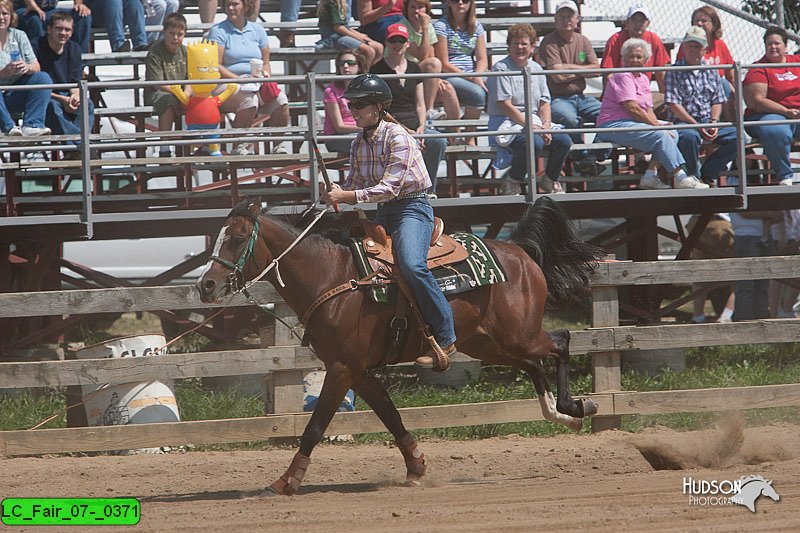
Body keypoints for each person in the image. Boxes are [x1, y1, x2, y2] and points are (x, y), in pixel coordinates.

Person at [321, 73, 456, 371]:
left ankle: (446, 336)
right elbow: (354, 182)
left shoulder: (398, 137)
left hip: (412, 208)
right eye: (351, 104)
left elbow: (390, 187)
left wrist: (348, 195)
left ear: (378, 108)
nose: (352, 110)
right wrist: (337, 194)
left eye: (358, 104)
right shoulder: (359, 142)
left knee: (411, 264)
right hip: (383, 211)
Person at [596, 38, 708, 190]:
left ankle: (650, 174)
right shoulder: (623, 76)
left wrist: (659, 124)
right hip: (614, 124)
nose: (635, 60)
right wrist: (656, 126)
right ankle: (681, 176)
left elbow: (648, 109)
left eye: (639, 57)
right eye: (631, 56)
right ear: (624, 58)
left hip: (632, 122)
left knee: (672, 131)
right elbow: (632, 107)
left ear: (646, 60)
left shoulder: (642, 78)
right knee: (660, 134)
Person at [487, 23, 571, 195]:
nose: (520, 47)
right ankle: (513, 178)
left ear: (532, 47)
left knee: (564, 140)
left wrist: (546, 124)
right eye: (515, 43)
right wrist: (532, 126)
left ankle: (550, 178)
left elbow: (544, 101)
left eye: (524, 44)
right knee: (534, 142)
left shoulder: (536, 68)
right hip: (507, 121)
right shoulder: (500, 68)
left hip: (535, 121)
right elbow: (504, 104)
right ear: (508, 46)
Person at [371, 23, 446, 195]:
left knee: (438, 141)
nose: (397, 44)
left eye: (401, 40)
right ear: (386, 43)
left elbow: (420, 103)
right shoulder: (377, 70)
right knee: (405, 142)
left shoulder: (414, 68)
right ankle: (399, 191)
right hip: (389, 126)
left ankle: (428, 189)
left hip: (414, 124)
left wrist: (421, 127)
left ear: (408, 44)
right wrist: (406, 131)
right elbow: (379, 109)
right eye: (393, 40)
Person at [207, 0, 290, 155]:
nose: (230, 8)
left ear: (245, 6)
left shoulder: (257, 30)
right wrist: (239, 80)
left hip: (255, 82)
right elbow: (216, 65)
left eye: (235, 4)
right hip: (227, 83)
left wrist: (265, 76)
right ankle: (239, 145)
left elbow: (266, 62)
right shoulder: (218, 31)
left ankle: (279, 145)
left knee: (281, 100)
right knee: (248, 99)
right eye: (227, 5)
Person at [539, 0, 605, 176]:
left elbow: (596, 70)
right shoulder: (549, 41)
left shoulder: (583, 41)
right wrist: (582, 70)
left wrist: (569, 67)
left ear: (577, 19)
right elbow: (557, 77)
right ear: (555, 19)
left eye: (570, 15)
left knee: (608, 113)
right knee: (571, 119)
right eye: (562, 16)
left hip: (581, 96)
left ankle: (594, 157)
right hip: (558, 98)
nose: (566, 19)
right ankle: (582, 158)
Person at [665, 27, 737, 187]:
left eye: (697, 46)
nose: (693, 49)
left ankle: (708, 173)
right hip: (683, 122)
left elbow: (717, 100)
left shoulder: (711, 71)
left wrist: (713, 122)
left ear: (704, 49)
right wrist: (697, 125)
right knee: (689, 137)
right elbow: (674, 104)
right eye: (690, 45)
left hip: (707, 120)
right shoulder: (674, 71)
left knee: (739, 136)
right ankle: (693, 178)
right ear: (683, 47)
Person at [743, 26, 800, 186]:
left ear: (785, 46)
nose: (773, 47)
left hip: (796, 115)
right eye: (769, 44)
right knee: (776, 129)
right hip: (767, 114)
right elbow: (757, 101)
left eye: (777, 43)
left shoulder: (797, 63)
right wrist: (786, 111)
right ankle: (784, 175)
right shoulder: (758, 68)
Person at [31, 11, 93, 155]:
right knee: (52, 107)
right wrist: (62, 99)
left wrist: (75, 97)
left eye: (67, 29)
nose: (63, 33)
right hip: (44, 96)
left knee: (87, 104)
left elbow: (76, 81)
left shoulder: (74, 48)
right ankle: (81, 147)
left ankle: (75, 150)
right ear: (49, 29)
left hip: (66, 94)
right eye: (59, 28)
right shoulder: (36, 46)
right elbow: (35, 86)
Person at [434, 0, 487, 144]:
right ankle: (469, 137)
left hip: (473, 74)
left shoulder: (476, 26)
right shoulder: (441, 26)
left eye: (465, 0)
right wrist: (472, 77)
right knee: (477, 93)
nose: (460, 3)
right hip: (451, 75)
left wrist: (478, 75)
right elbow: (444, 63)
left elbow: (482, 58)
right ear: (449, 3)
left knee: (497, 87)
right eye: (456, 0)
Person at [399, 0, 459, 123]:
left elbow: (430, 55)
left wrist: (437, 78)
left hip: (420, 73)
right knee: (434, 64)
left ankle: (455, 136)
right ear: (407, 9)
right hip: (404, 74)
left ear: (426, 9)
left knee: (447, 89)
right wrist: (425, 28)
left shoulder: (429, 26)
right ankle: (428, 111)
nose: (416, 11)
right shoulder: (403, 27)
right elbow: (423, 55)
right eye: (413, 7)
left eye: (420, 7)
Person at [0, 0, 52, 137]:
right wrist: (4, 73)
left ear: (11, 16)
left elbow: (36, 66)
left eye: (5, 13)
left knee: (43, 78)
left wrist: (26, 67)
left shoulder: (19, 35)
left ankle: (32, 125)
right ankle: (8, 127)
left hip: (14, 93)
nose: (1, 18)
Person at [601, 3, 670, 93]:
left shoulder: (654, 39)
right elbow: (608, 72)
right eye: (634, 20)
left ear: (648, 23)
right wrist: (609, 97)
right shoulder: (615, 39)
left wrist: (663, 96)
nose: (638, 24)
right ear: (627, 22)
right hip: (620, 89)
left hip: (643, 89)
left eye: (642, 20)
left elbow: (660, 71)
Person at [144, 12, 186, 158]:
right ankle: (164, 147)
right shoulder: (155, 51)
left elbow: (193, 77)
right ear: (164, 33)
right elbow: (158, 83)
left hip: (182, 92)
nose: (175, 38)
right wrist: (180, 94)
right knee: (168, 100)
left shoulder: (186, 51)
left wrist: (187, 93)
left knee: (203, 99)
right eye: (172, 33)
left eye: (179, 34)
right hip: (157, 93)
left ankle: (205, 144)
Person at [730, 210, 780, 321]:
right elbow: (744, 212)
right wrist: (769, 214)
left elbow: (778, 216)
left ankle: (761, 321)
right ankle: (745, 322)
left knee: (762, 285)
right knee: (746, 284)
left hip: (761, 236)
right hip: (745, 236)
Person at [322, 49, 365, 153]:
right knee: (371, 143)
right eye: (342, 63)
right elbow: (339, 127)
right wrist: (365, 128)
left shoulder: (365, 89)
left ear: (359, 66)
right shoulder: (331, 91)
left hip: (361, 133)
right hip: (337, 138)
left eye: (350, 63)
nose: (345, 66)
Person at [316, 0, 382, 66]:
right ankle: (363, 73)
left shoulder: (342, 3)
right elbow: (338, 27)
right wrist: (357, 37)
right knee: (369, 51)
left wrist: (359, 35)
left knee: (378, 47)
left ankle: (363, 69)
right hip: (333, 38)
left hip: (342, 35)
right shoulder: (332, 3)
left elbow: (345, 26)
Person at [13, 0, 92, 53]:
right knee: (35, 20)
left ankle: (77, 65)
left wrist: (78, 4)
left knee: (82, 16)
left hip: (49, 10)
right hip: (24, 9)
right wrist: (32, 4)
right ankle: (40, 63)